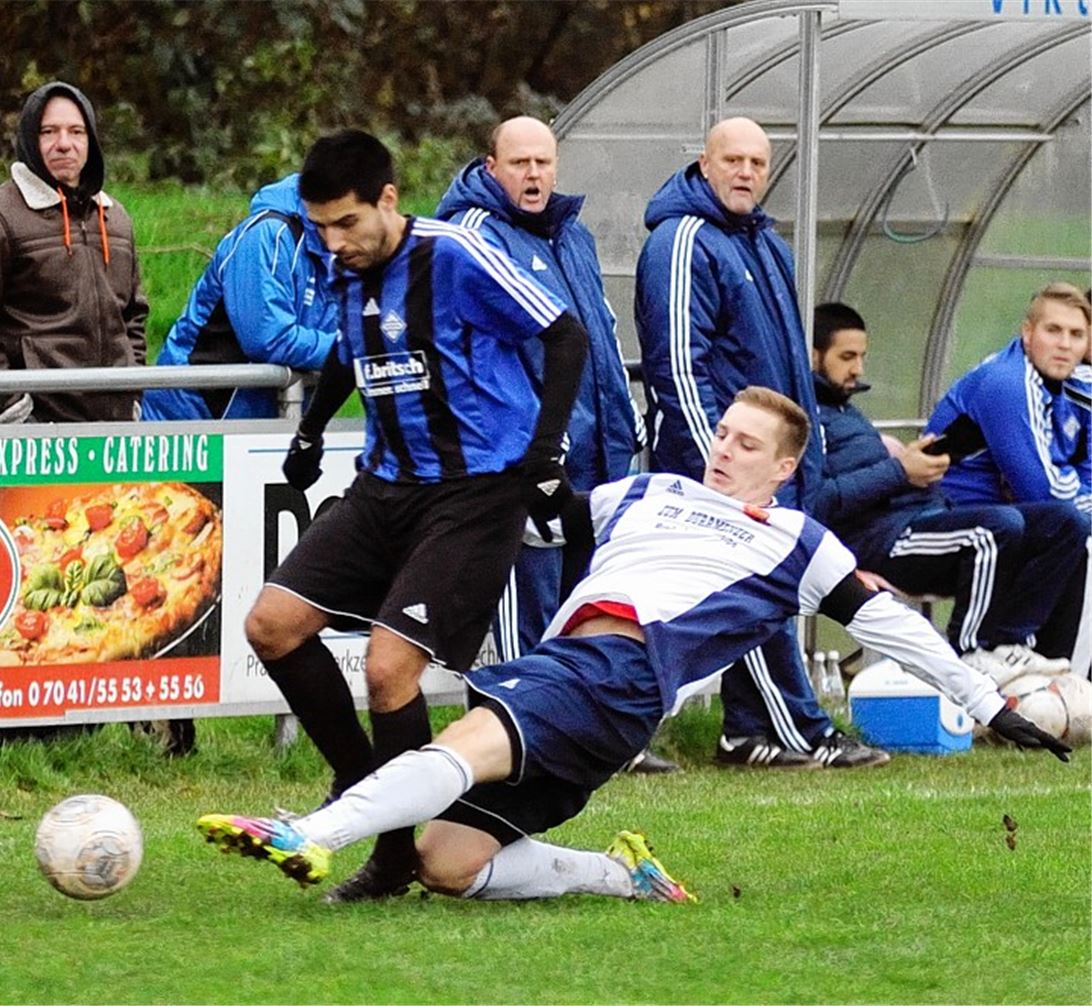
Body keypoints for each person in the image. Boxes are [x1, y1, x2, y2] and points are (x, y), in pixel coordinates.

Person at [197, 388, 1070, 904]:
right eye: (723, 434)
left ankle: (305, 832)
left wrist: (991, 702)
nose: (725, 450)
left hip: (618, 669)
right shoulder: (647, 491)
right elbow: (544, 527)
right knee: (449, 864)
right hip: (594, 691)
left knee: (459, 745)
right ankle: (622, 876)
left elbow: (893, 625)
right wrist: (516, 488)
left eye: (747, 445)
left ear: (783, 469)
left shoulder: (801, 540)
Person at [242, 130, 587, 903]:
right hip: (384, 487)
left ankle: (394, 858)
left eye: (347, 224)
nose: (333, 243)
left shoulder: (456, 255)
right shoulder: (345, 264)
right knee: (271, 625)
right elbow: (344, 351)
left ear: (388, 201)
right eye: (320, 226)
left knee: (390, 669)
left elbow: (565, 336)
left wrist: (541, 456)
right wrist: (307, 432)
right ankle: (364, 781)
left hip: (472, 493)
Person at [634, 117, 881, 768]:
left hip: (770, 466)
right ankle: (785, 729)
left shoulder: (765, 244)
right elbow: (678, 365)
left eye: (758, 163)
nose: (745, 172)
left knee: (761, 591)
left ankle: (753, 729)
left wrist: (805, 457)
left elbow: (793, 369)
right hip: (718, 469)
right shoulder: (682, 240)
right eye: (733, 160)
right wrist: (721, 468)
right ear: (704, 165)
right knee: (750, 591)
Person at [435, 116, 670, 773]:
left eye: (543, 162)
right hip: (528, 460)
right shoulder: (472, 237)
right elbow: (474, 356)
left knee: (590, 611)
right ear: (490, 166)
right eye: (520, 163)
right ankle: (517, 744)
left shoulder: (575, 234)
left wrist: (625, 417)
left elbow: (598, 328)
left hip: (599, 455)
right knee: (525, 613)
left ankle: (596, 741)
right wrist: (523, 446)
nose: (533, 175)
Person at [812, 302, 1082, 684]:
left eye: (862, 356)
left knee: (1066, 523)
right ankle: (970, 656)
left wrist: (914, 469)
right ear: (813, 355)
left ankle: (1016, 646)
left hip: (923, 516)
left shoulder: (847, 412)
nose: (859, 369)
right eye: (847, 357)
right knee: (992, 527)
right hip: (881, 541)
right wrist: (898, 470)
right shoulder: (805, 419)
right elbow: (816, 501)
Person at [0, 80, 148, 424]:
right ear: (30, 137)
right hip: (34, 436)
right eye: (49, 132)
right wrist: (10, 410)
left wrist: (132, 396)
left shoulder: (116, 219)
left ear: (91, 141)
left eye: (76, 131)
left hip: (115, 430)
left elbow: (133, 317)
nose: (64, 144)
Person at [927, 284, 1090, 673]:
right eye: (1053, 331)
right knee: (1073, 529)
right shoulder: (1008, 382)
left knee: (1071, 526)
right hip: (948, 518)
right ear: (1027, 333)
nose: (1064, 344)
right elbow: (1046, 491)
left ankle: (1051, 668)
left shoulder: (1070, 384)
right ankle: (1033, 658)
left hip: (1008, 519)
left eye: (1076, 335)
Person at [140, 174, 337, 421]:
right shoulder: (269, 234)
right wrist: (355, 349)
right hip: (194, 418)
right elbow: (269, 338)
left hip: (267, 419)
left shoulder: (350, 251)